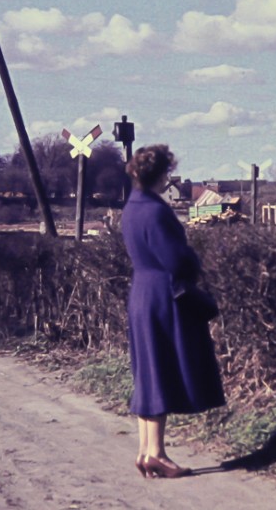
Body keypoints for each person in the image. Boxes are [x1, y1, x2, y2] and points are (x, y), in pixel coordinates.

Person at [121, 144, 225, 479]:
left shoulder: (132, 207)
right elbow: (176, 259)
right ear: (162, 174)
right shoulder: (155, 210)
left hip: (142, 291)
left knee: (148, 370)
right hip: (163, 296)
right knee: (161, 369)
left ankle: (145, 450)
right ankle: (157, 454)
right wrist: (193, 262)